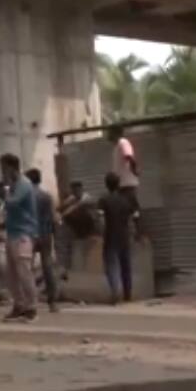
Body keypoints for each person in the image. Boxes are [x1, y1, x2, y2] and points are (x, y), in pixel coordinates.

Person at [0, 154, 39, 323]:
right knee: (12, 274)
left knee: (24, 272)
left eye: (4, 168)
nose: (2, 172)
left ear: (12, 167)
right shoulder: (14, 185)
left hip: (23, 234)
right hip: (12, 233)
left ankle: (32, 307)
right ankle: (19, 304)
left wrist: (6, 191)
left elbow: (12, 203)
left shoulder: (23, 184)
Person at [25, 168, 60, 313]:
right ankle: (52, 302)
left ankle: (30, 300)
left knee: (27, 268)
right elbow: (53, 218)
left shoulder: (26, 196)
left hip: (29, 234)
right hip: (45, 234)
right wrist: (54, 234)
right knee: (48, 267)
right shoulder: (46, 196)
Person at [99, 172, 136, 304]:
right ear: (118, 184)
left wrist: (101, 234)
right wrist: (133, 234)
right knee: (126, 265)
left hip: (110, 236)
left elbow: (101, 220)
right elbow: (132, 218)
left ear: (106, 185)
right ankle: (128, 294)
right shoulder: (125, 200)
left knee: (111, 265)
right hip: (124, 236)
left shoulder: (103, 200)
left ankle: (115, 291)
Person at [58, 181, 96, 269]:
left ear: (81, 189)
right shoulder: (72, 198)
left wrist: (68, 208)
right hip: (76, 228)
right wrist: (65, 205)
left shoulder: (87, 198)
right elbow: (60, 208)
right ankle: (69, 265)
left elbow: (78, 206)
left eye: (77, 190)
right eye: (73, 191)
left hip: (88, 227)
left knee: (86, 251)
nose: (75, 193)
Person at [108, 126, 141, 215]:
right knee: (126, 212)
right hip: (121, 186)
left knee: (133, 212)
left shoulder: (123, 142)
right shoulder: (117, 146)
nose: (108, 135)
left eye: (109, 132)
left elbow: (129, 156)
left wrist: (135, 170)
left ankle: (138, 227)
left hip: (127, 185)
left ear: (115, 133)